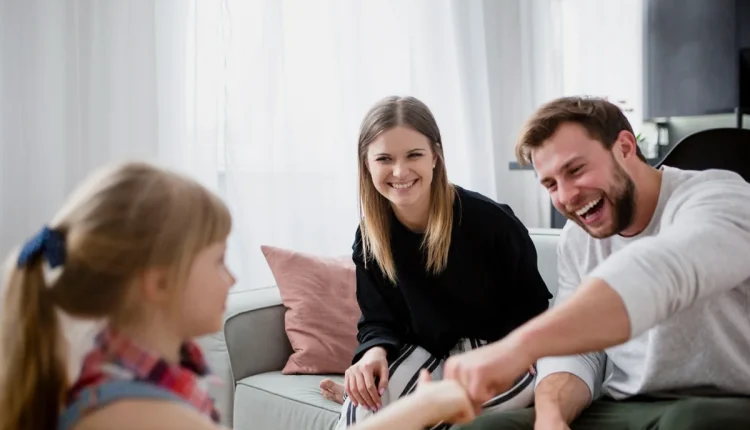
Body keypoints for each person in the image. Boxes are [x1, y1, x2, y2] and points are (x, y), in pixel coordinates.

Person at [0, 161, 487, 430]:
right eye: (216, 260)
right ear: (158, 281)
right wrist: (420, 411)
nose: (233, 280)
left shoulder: (124, 367)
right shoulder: (136, 413)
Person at [441, 96, 750, 430]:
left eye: (576, 170)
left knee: (690, 422)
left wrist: (518, 347)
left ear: (625, 147)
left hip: (725, 402)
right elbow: (577, 353)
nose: (567, 196)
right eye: (551, 184)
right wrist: (551, 417)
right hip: (626, 407)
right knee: (484, 429)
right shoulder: (578, 239)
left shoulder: (720, 197)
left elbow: (662, 273)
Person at [319, 95, 552, 430]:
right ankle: (354, 399)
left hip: (499, 352)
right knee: (360, 412)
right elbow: (377, 320)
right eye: (384, 158)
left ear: (435, 157)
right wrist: (372, 354)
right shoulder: (370, 237)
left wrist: (522, 350)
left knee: (435, 418)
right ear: (366, 165)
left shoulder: (491, 220)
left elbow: (532, 304)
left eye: (414, 155)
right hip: (424, 352)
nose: (400, 171)